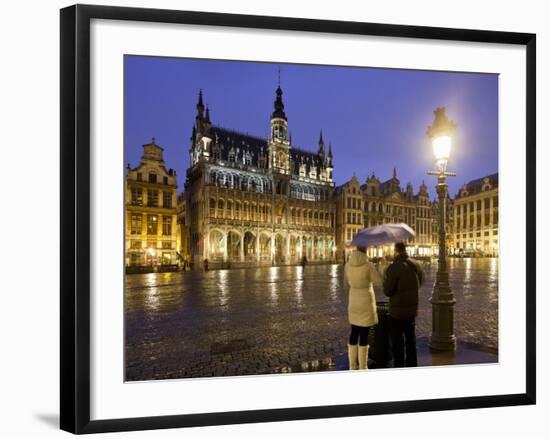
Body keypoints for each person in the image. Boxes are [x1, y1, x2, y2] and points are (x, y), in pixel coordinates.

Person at [383, 242, 424, 367]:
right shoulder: (415, 265)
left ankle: (399, 365)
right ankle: (412, 364)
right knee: (410, 339)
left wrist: (386, 274)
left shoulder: (394, 267)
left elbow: (388, 291)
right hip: (411, 310)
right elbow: (420, 282)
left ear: (395, 251)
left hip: (397, 312)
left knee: (398, 342)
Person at [344, 246, 383, 370]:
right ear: (365, 251)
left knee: (354, 332)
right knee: (364, 334)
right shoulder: (368, 265)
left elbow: (346, 283)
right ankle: (363, 366)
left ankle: (352, 365)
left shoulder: (348, 265)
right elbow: (379, 281)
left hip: (353, 301)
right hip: (365, 301)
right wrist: (381, 268)